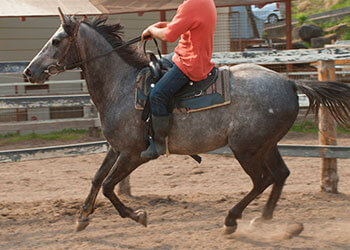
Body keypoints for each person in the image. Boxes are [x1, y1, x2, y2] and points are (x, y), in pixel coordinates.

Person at [140, 0, 217, 159]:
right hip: (184, 55)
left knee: (157, 96)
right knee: (157, 66)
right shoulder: (206, 1)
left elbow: (169, 36)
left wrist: (152, 30)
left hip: (190, 62)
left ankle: (160, 144)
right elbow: (191, 24)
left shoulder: (191, 4)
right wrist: (168, 25)